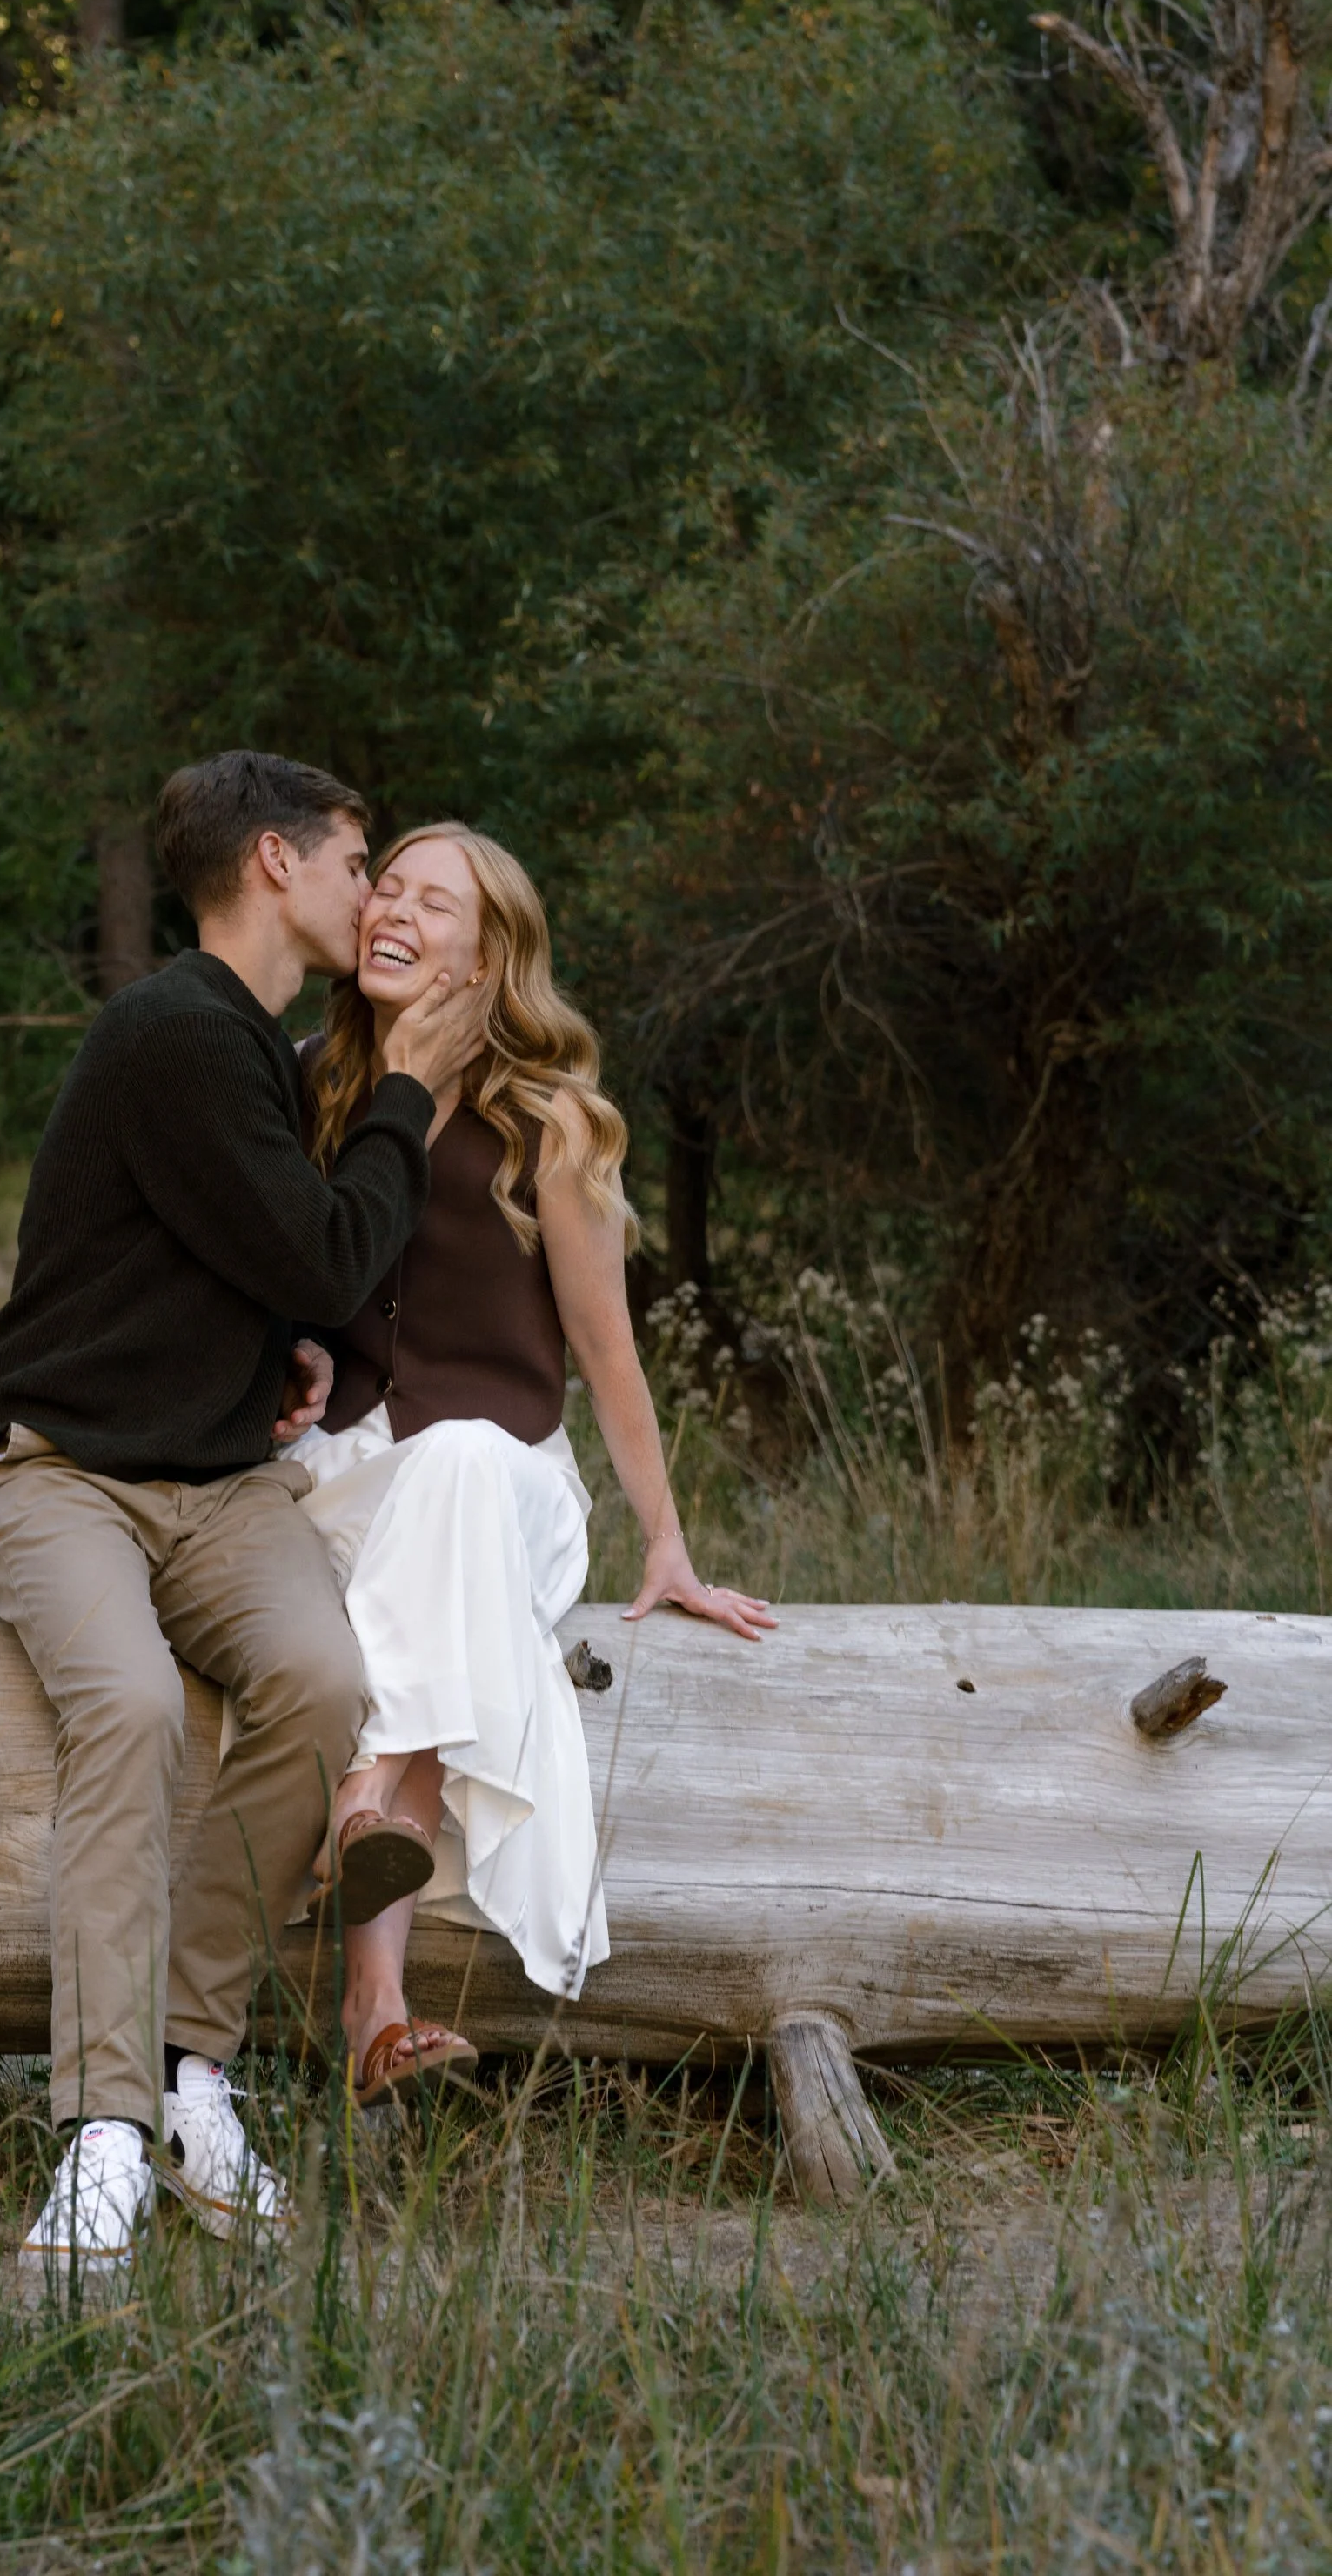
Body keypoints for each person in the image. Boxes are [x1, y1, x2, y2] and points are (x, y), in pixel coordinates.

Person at [0, 753, 488, 2270]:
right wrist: (408, 1092)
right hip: (59, 1470)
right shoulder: (177, 1028)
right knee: (125, 1703)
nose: (371, 889)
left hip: (216, 1482)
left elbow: (238, 1257)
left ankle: (197, 2073)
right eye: (355, 859)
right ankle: (101, 2130)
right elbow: (324, 1251)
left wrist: (283, 1348)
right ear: (275, 859)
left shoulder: (240, 1049)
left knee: (323, 1681)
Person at [286, 823, 774, 2106]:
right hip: (352, 1477)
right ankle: (378, 2012)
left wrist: (665, 1542)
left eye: (431, 900)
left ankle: (365, 1803)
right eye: (383, 883)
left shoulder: (548, 1123)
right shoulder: (312, 1085)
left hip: (509, 1478)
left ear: (492, 951)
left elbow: (609, 1357)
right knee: (441, 1558)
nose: (392, 906)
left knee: (455, 1478)